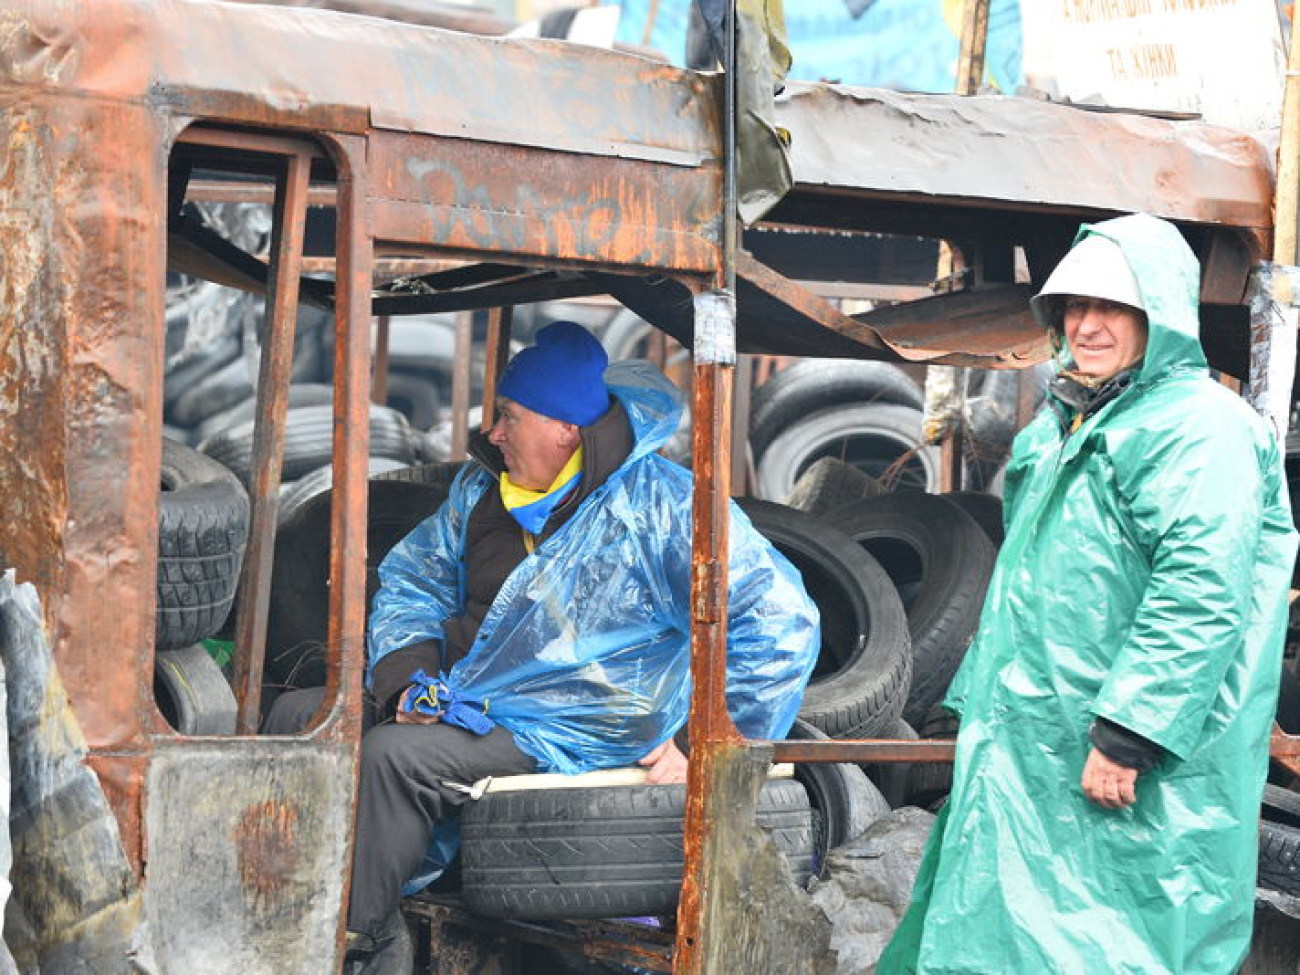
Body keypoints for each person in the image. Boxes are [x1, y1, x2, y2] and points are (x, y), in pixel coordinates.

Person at [878, 214, 1297, 974]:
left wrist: (1128, 733)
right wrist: (982, 696)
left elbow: (1200, 590)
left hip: (1130, 760)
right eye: (1075, 306)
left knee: (1117, 938)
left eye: (1112, 308)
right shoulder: (1066, 424)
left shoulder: (1200, 431)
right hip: (1035, 739)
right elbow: (1029, 578)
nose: (1089, 325)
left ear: (1157, 315)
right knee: (1005, 932)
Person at [340, 321, 819, 966]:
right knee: (307, 720)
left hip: (587, 734)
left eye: (509, 416)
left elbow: (781, 622)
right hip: (472, 708)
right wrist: (407, 680)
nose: (493, 433)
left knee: (396, 758)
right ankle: (305, 905)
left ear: (564, 428)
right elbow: (414, 579)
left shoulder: (661, 507)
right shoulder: (482, 492)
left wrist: (704, 744)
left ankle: (349, 940)